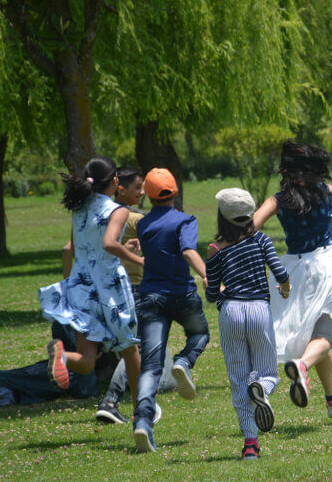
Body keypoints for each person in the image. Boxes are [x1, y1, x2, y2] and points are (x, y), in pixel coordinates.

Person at [253, 140, 332, 419]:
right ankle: (301, 366)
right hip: (325, 265)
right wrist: (329, 212)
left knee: (308, 334)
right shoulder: (328, 192)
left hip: (293, 269)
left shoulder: (278, 200)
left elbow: (251, 227)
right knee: (324, 334)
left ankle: (331, 399)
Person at [38, 156, 142, 421]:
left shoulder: (79, 207)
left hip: (82, 286)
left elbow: (75, 249)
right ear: (115, 180)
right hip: (109, 289)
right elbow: (108, 244)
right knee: (130, 349)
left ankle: (61, 357)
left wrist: (70, 285)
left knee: (86, 362)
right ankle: (142, 409)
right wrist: (139, 259)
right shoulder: (118, 210)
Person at [206, 188, 292, 460]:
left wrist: (216, 291)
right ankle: (263, 389)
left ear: (223, 217)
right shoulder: (262, 241)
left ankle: (250, 444)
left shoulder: (215, 249)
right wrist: (286, 288)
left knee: (238, 379)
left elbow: (210, 295)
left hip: (230, 312)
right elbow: (280, 273)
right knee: (269, 373)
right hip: (258, 310)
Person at [131, 167, 210, 453]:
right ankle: (184, 361)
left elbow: (154, 244)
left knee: (150, 366)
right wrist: (206, 274)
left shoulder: (142, 224)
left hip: (151, 297)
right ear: (174, 191)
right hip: (182, 294)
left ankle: (142, 421)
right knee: (200, 334)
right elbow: (188, 251)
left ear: (148, 196)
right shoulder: (185, 220)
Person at [93, 168, 173, 425]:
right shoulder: (134, 218)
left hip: (112, 288)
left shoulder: (103, 215)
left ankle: (117, 400)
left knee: (133, 346)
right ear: (120, 188)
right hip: (138, 289)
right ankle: (112, 400)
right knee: (137, 347)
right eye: (138, 188)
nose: (141, 193)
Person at [0, 323, 102, 411]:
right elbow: (86, 390)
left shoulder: (67, 368)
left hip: (8, 395)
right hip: (0, 386)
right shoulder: (74, 374)